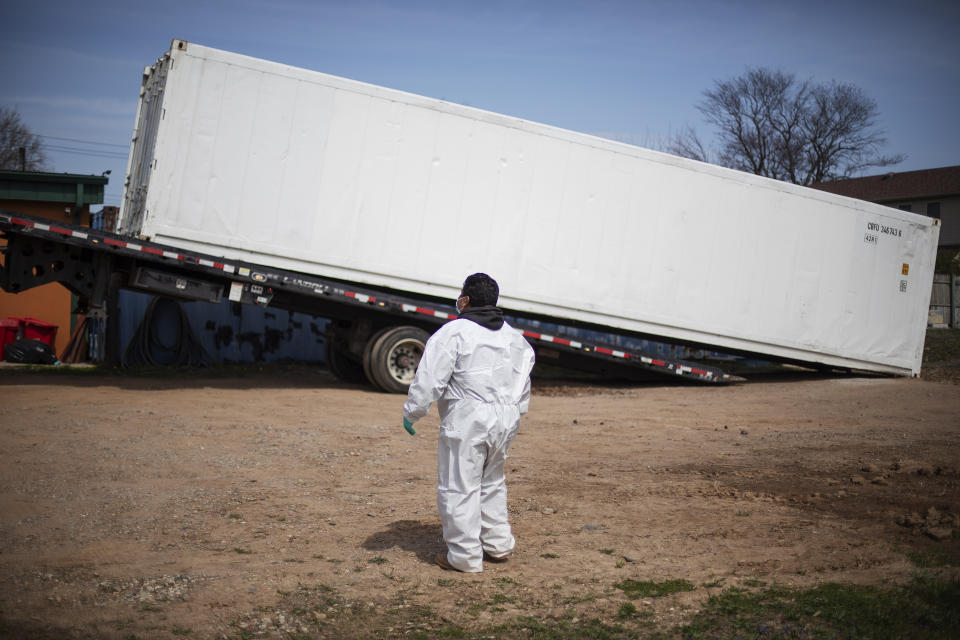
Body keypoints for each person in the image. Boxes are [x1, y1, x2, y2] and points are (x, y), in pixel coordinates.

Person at [402, 273, 536, 573]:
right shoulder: (516, 339)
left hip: (468, 419)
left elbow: (429, 381)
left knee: (459, 486)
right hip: (506, 420)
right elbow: (523, 386)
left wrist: (413, 412)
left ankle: (464, 556)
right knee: (492, 483)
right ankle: (498, 545)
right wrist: (516, 415)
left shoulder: (454, 333)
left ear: (465, 299)